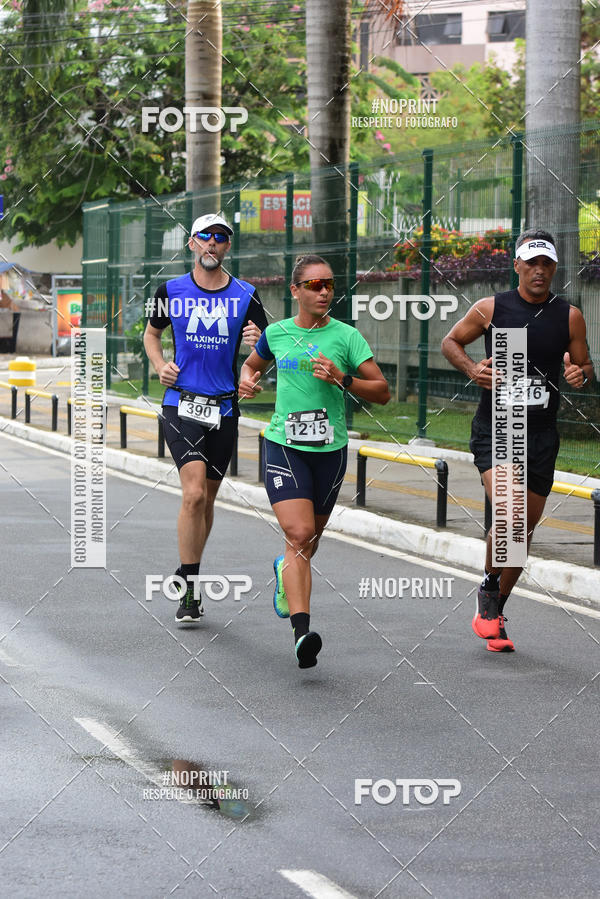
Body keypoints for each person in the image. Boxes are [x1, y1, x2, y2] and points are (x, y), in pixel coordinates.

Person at [441, 229, 594, 652]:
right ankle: (490, 592)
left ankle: (494, 608)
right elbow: (450, 341)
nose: (539, 271)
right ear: (518, 266)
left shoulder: (570, 316)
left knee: (521, 534)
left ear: (554, 268)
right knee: (508, 516)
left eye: (546, 264)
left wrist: (580, 374)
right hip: (498, 427)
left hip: (542, 434)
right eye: (532, 263)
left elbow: (584, 365)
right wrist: (473, 370)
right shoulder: (492, 308)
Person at [239, 254, 390, 668]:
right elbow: (251, 366)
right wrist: (246, 380)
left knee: (309, 541)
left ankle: (284, 571)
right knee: (299, 532)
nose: (324, 291)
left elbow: (381, 391)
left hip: (329, 450)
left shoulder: (346, 337)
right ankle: (302, 632)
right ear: (296, 291)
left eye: (329, 285)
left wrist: (342, 378)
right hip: (283, 445)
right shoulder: (277, 333)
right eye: (314, 285)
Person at [144, 213, 267, 623]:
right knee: (193, 494)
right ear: (192, 243)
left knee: (209, 498)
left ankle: (189, 568)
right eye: (205, 237)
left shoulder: (247, 295)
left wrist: (252, 370)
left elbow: (264, 351)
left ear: (227, 246)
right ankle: (190, 590)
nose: (213, 244)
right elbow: (151, 333)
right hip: (181, 403)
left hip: (224, 406)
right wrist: (160, 364)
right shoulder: (170, 289)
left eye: (221, 238)